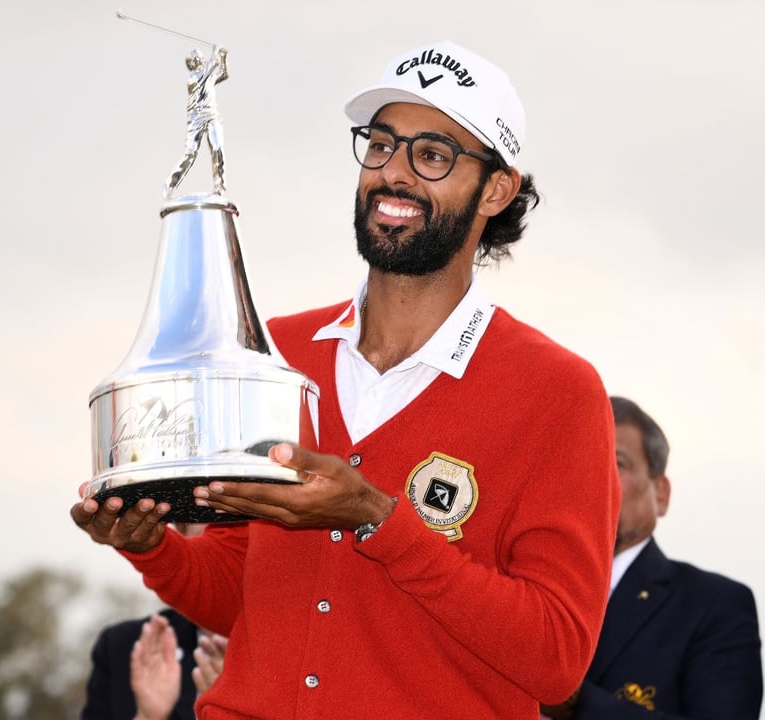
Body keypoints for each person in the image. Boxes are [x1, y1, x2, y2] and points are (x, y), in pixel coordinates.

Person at [72, 40, 620, 718]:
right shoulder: (274, 351)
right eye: (381, 145)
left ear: (497, 190)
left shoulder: (557, 390)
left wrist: (378, 519)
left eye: (433, 155)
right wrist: (153, 547)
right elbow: (240, 594)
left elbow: (556, 659)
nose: (393, 174)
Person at [540, 397, 763, 719]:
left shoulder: (715, 605)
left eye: (616, 464)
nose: (592, 479)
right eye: (577, 462)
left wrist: (576, 704)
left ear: (661, 493)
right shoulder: (518, 583)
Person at [82, 524, 228, 720]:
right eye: (210, 517)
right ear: (180, 537)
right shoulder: (125, 648)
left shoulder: (281, 652)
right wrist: (147, 717)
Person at [165, 45, 230, 197]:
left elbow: (223, 73)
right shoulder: (194, 78)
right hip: (196, 118)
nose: (201, 58)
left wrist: (224, 58)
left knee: (217, 148)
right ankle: (170, 185)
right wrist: (216, 52)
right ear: (194, 63)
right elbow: (212, 65)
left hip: (212, 115)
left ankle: (219, 185)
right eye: (198, 57)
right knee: (190, 154)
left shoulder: (207, 75)